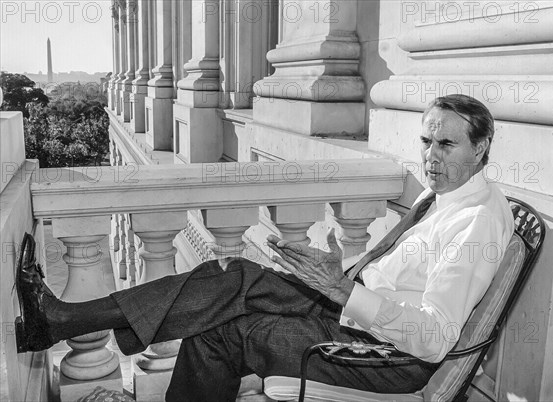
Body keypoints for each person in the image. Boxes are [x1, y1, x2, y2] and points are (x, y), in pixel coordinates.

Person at [15, 94, 513, 401]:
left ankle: (61, 320)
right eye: (426, 140)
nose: (429, 156)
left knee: (222, 333)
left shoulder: (476, 223)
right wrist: (342, 273)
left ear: (481, 148)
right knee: (231, 273)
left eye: (445, 145)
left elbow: (432, 339)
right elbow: (395, 273)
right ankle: (63, 319)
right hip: (351, 309)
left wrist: (343, 291)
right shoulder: (441, 193)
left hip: (388, 356)